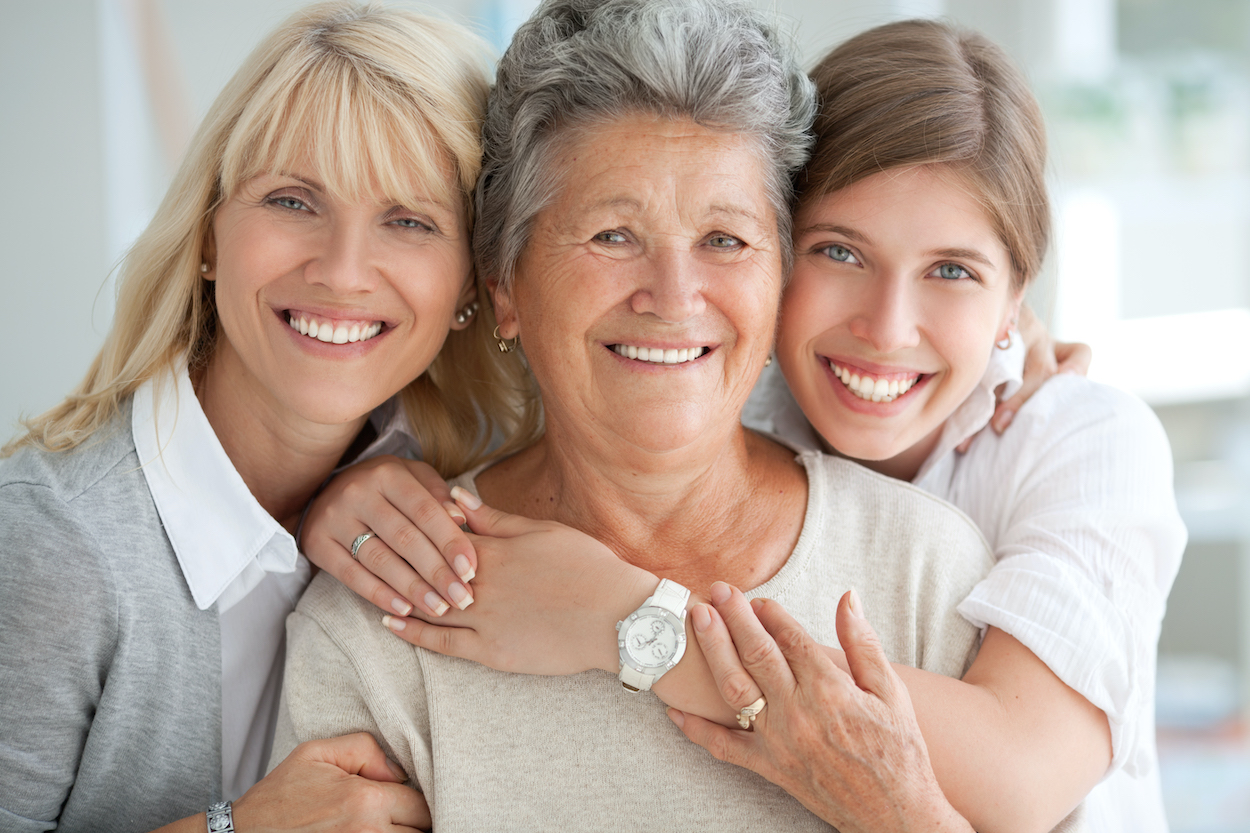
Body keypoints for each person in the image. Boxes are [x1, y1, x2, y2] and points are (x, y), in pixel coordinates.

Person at [295, 10, 1184, 833]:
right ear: (504, 286)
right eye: (612, 234)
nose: (676, 299)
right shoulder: (388, 611)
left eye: (726, 240)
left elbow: (1025, 770)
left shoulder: (945, 558)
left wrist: (627, 621)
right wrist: (344, 485)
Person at [0, 3, 537, 831]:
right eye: (292, 201)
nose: (342, 271)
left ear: (471, 285)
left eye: (409, 221)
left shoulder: (477, 478)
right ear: (209, 235)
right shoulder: (54, 543)